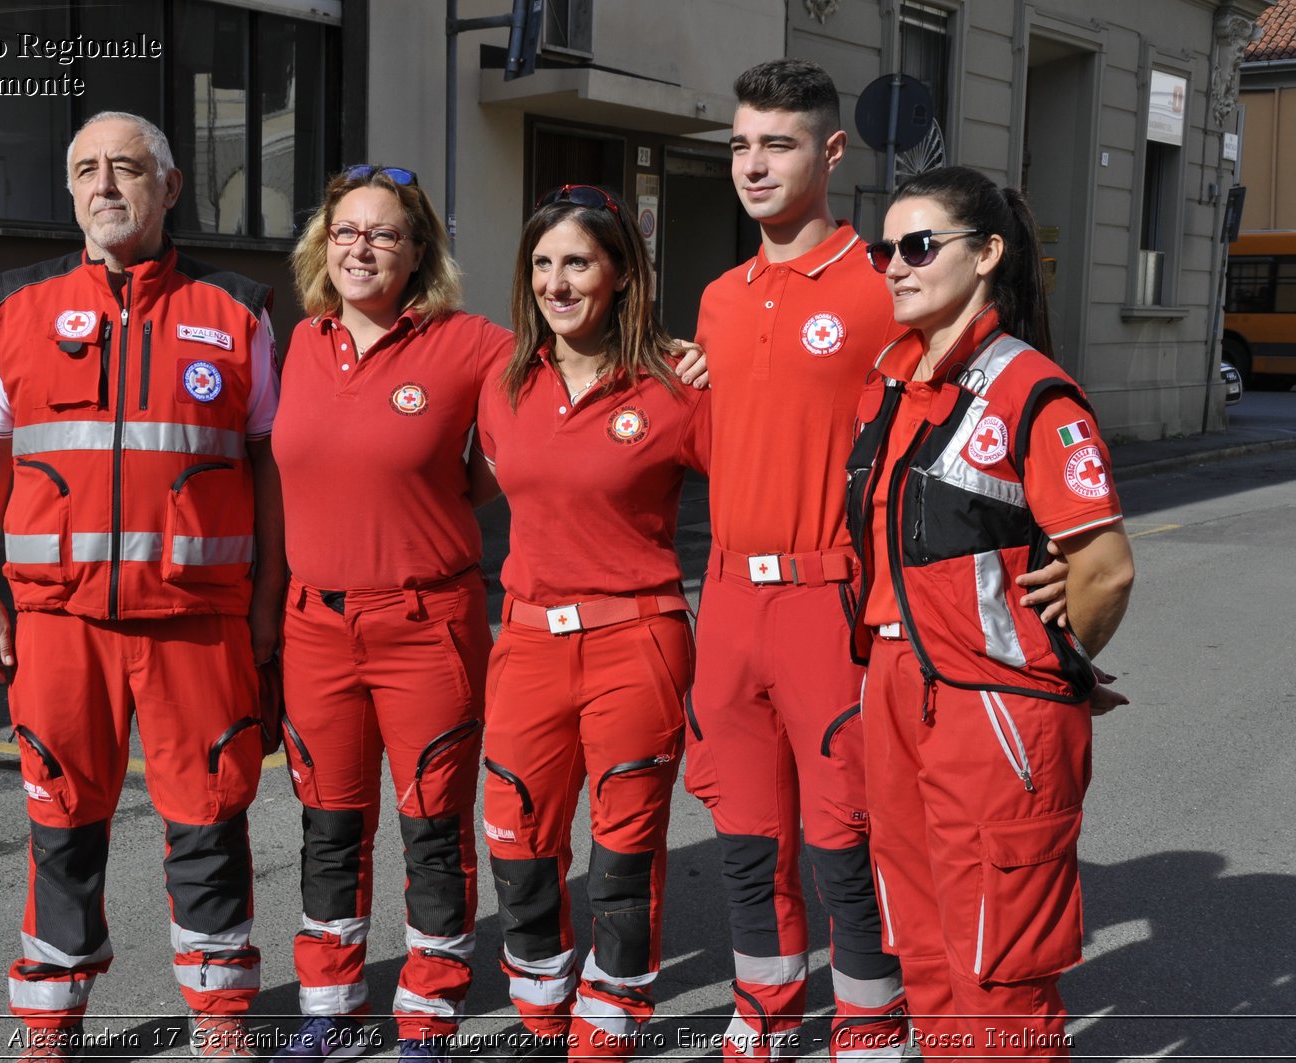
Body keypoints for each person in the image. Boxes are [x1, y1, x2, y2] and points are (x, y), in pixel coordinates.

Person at [0, 111, 283, 1061]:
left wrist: (266, 607)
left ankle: (220, 1016)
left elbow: (269, 464)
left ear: (170, 187)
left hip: (199, 617)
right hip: (58, 619)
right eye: (86, 170)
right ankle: (50, 1018)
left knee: (212, 817)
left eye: (127, 169)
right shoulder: (16, 307)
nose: (105, 186)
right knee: (59, 818)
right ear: (69, 190)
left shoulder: (237, 310)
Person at [844, 165, 1134, 1059]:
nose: (895, 264)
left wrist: (1047, 660)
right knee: (925, 945)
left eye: (919, 246)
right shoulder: (890, 381)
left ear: (987, 255)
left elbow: (1106, 570)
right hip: (897, 687)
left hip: (993, 707)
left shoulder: (1032, 389)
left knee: (998, 966)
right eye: (884, 248)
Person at [685, 59, 910, 1061]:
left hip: (831, 599)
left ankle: (869, 1018)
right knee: (746, 836)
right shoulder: (719, 298)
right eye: (739, 143)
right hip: (728, 596)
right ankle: (764, 1011)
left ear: (829, 151)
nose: (752, 163)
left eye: (776, 143)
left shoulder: (884, 285)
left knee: (842, 835)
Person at [268, 164, 511, 1063]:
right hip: (314, 625)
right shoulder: (297, 343)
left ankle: (429, 1007)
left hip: (426, 622)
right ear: (321, 249)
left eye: (383, 234)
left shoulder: (472, 344)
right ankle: (331, 1004)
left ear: (419, 254)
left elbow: (541, 418)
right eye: (344, 232)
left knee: (432, 822)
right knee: (329, 821)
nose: (361, 247)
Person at [475, 185, 709, 1061]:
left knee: (623, 838)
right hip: (529, 635)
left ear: (619, 273)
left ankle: (611, 1012)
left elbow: (769, 486)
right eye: (542, 263)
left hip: (635, 635)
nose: (557, 281)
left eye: (577, 261)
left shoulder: (675, 385)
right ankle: (539, 1003)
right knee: (517, 829)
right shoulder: (503, 386)